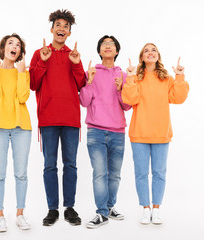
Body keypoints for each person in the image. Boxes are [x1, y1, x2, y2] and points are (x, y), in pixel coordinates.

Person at [29, 9, 85, 226]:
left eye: (66, 27)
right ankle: (52, 208)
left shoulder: (74, 55)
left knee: (70, 164)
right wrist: (43, 61)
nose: (62, 29)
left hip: (71, 119)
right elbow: (33, 84)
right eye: (58, 25)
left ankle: (69, 207)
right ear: (51, 29)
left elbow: (81, 86)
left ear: (69, 33)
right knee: (49, 165)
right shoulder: (40, 53)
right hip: (48, 119)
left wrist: (77, 64)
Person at [122, 43, 189, 225]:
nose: (150, 53)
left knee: (159, 173)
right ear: (142, 57)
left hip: (161, 133)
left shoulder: (167, 79)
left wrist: (180, 76)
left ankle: (156, 209)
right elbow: (129, 99)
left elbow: (178, 98)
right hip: (139, 133)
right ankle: (145, 208)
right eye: (146, 51)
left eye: (153, 50)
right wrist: (129, 79)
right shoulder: (136, 78)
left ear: (158, 56)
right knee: (141, 174)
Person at [79, 35, 131, 229]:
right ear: (99, 51)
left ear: (117, 51)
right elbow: (84, 102)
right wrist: (89, 82)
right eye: (104, 44)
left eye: (111, 44)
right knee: (100, 173)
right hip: (96, 131)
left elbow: (127, 106)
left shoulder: (123, 75)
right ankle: (101, 213)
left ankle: (109, 207)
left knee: (115, 175)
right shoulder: (91, 72)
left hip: (117, 132)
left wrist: (120, 89)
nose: (107, 47)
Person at [0, 33, 32, 232]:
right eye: (11, 43)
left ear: (20, 52)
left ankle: (20, 215)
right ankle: (0, 215)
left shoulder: (22, 72)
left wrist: (21, 74)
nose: (15, 47)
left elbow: (23, 97)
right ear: (3, 49)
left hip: (21, 128)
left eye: (18, 45)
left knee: (21, 174)